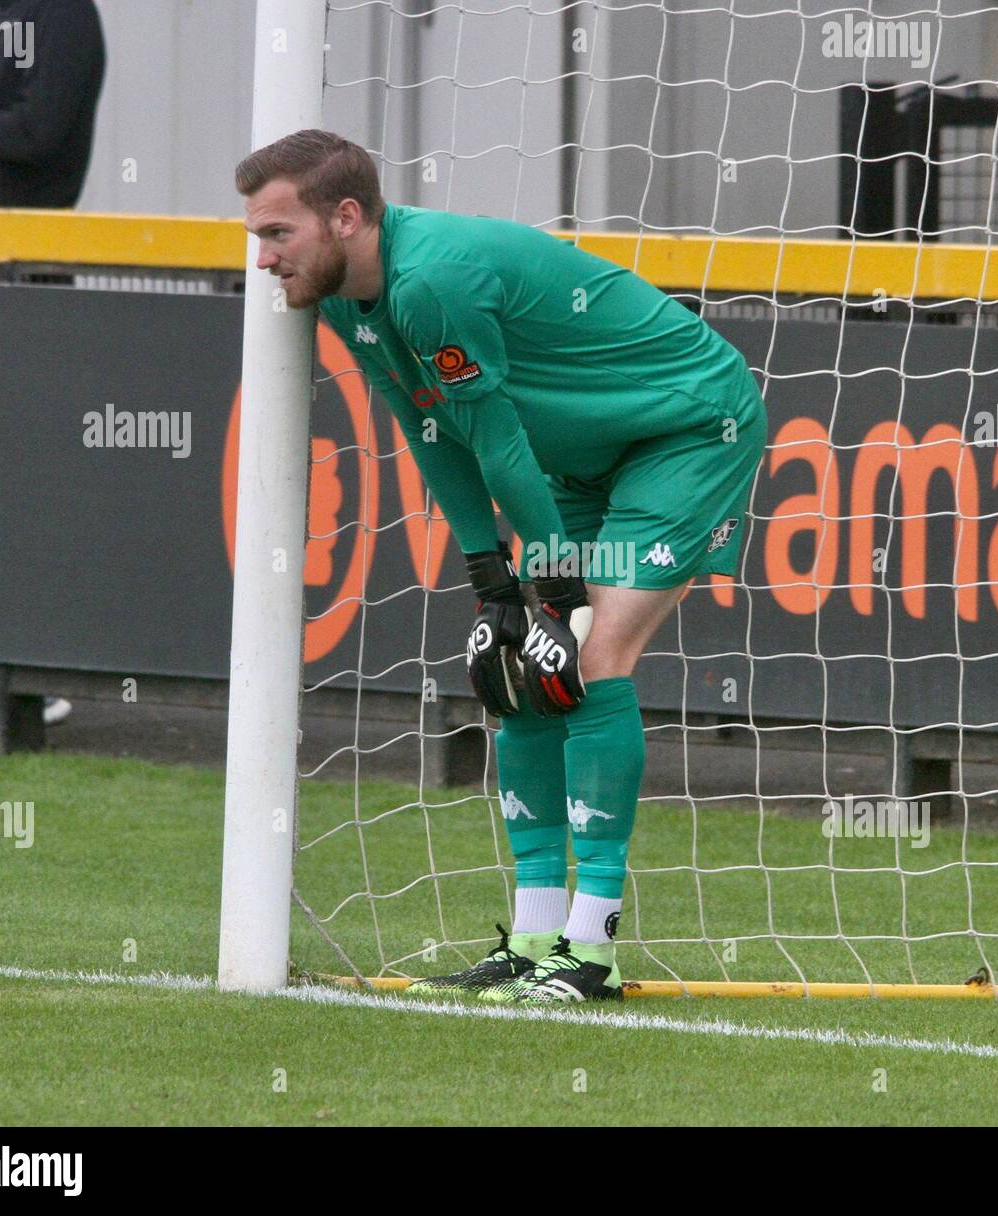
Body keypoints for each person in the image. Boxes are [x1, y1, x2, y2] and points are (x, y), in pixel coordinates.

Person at [236, 130, 765, 1003]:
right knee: (515, 671)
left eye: (276, 234)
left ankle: (591, 952)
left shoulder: (430, 280)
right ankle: (531, 940)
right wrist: (494, 581)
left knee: (591, 660)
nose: (263, 257)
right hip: (580, 453)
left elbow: (497, 436)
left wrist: (551, 586)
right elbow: (431, 430)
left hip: (685, 427)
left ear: (345, 216)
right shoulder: (341, 299)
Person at [0, 0, 105, 736]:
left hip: (23, 281)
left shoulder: (64, 14)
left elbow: (35, 134)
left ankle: (27, 682)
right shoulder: (4, 6)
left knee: (14, 485)